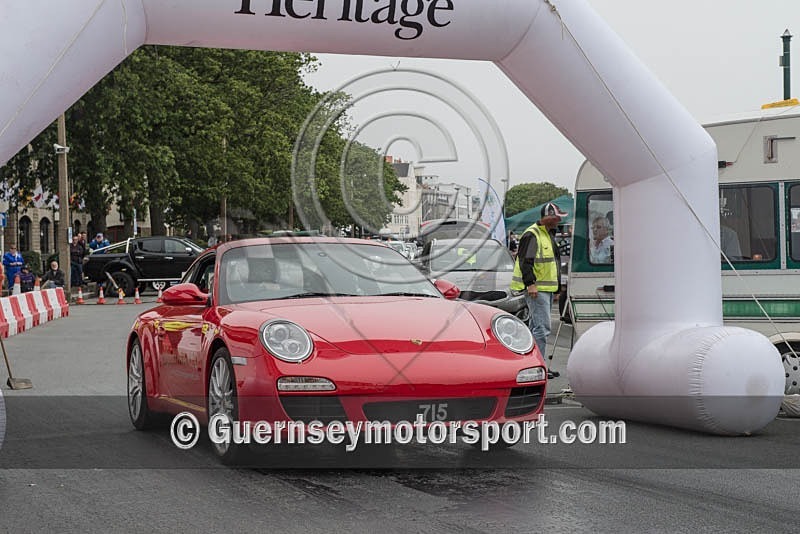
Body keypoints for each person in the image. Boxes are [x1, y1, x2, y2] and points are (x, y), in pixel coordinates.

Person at [510, 202, 567, 378]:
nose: (559, 221)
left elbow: (552, 264)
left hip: (544, 289)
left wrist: (556, 288)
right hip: (537, 289)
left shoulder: (546, 234)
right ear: (548, 217)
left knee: (537, 328)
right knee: (542, 329)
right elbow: (525, 262)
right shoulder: (533, 234)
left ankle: (534, 365)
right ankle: (537, 367)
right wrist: (531, 284)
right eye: (557, 218)